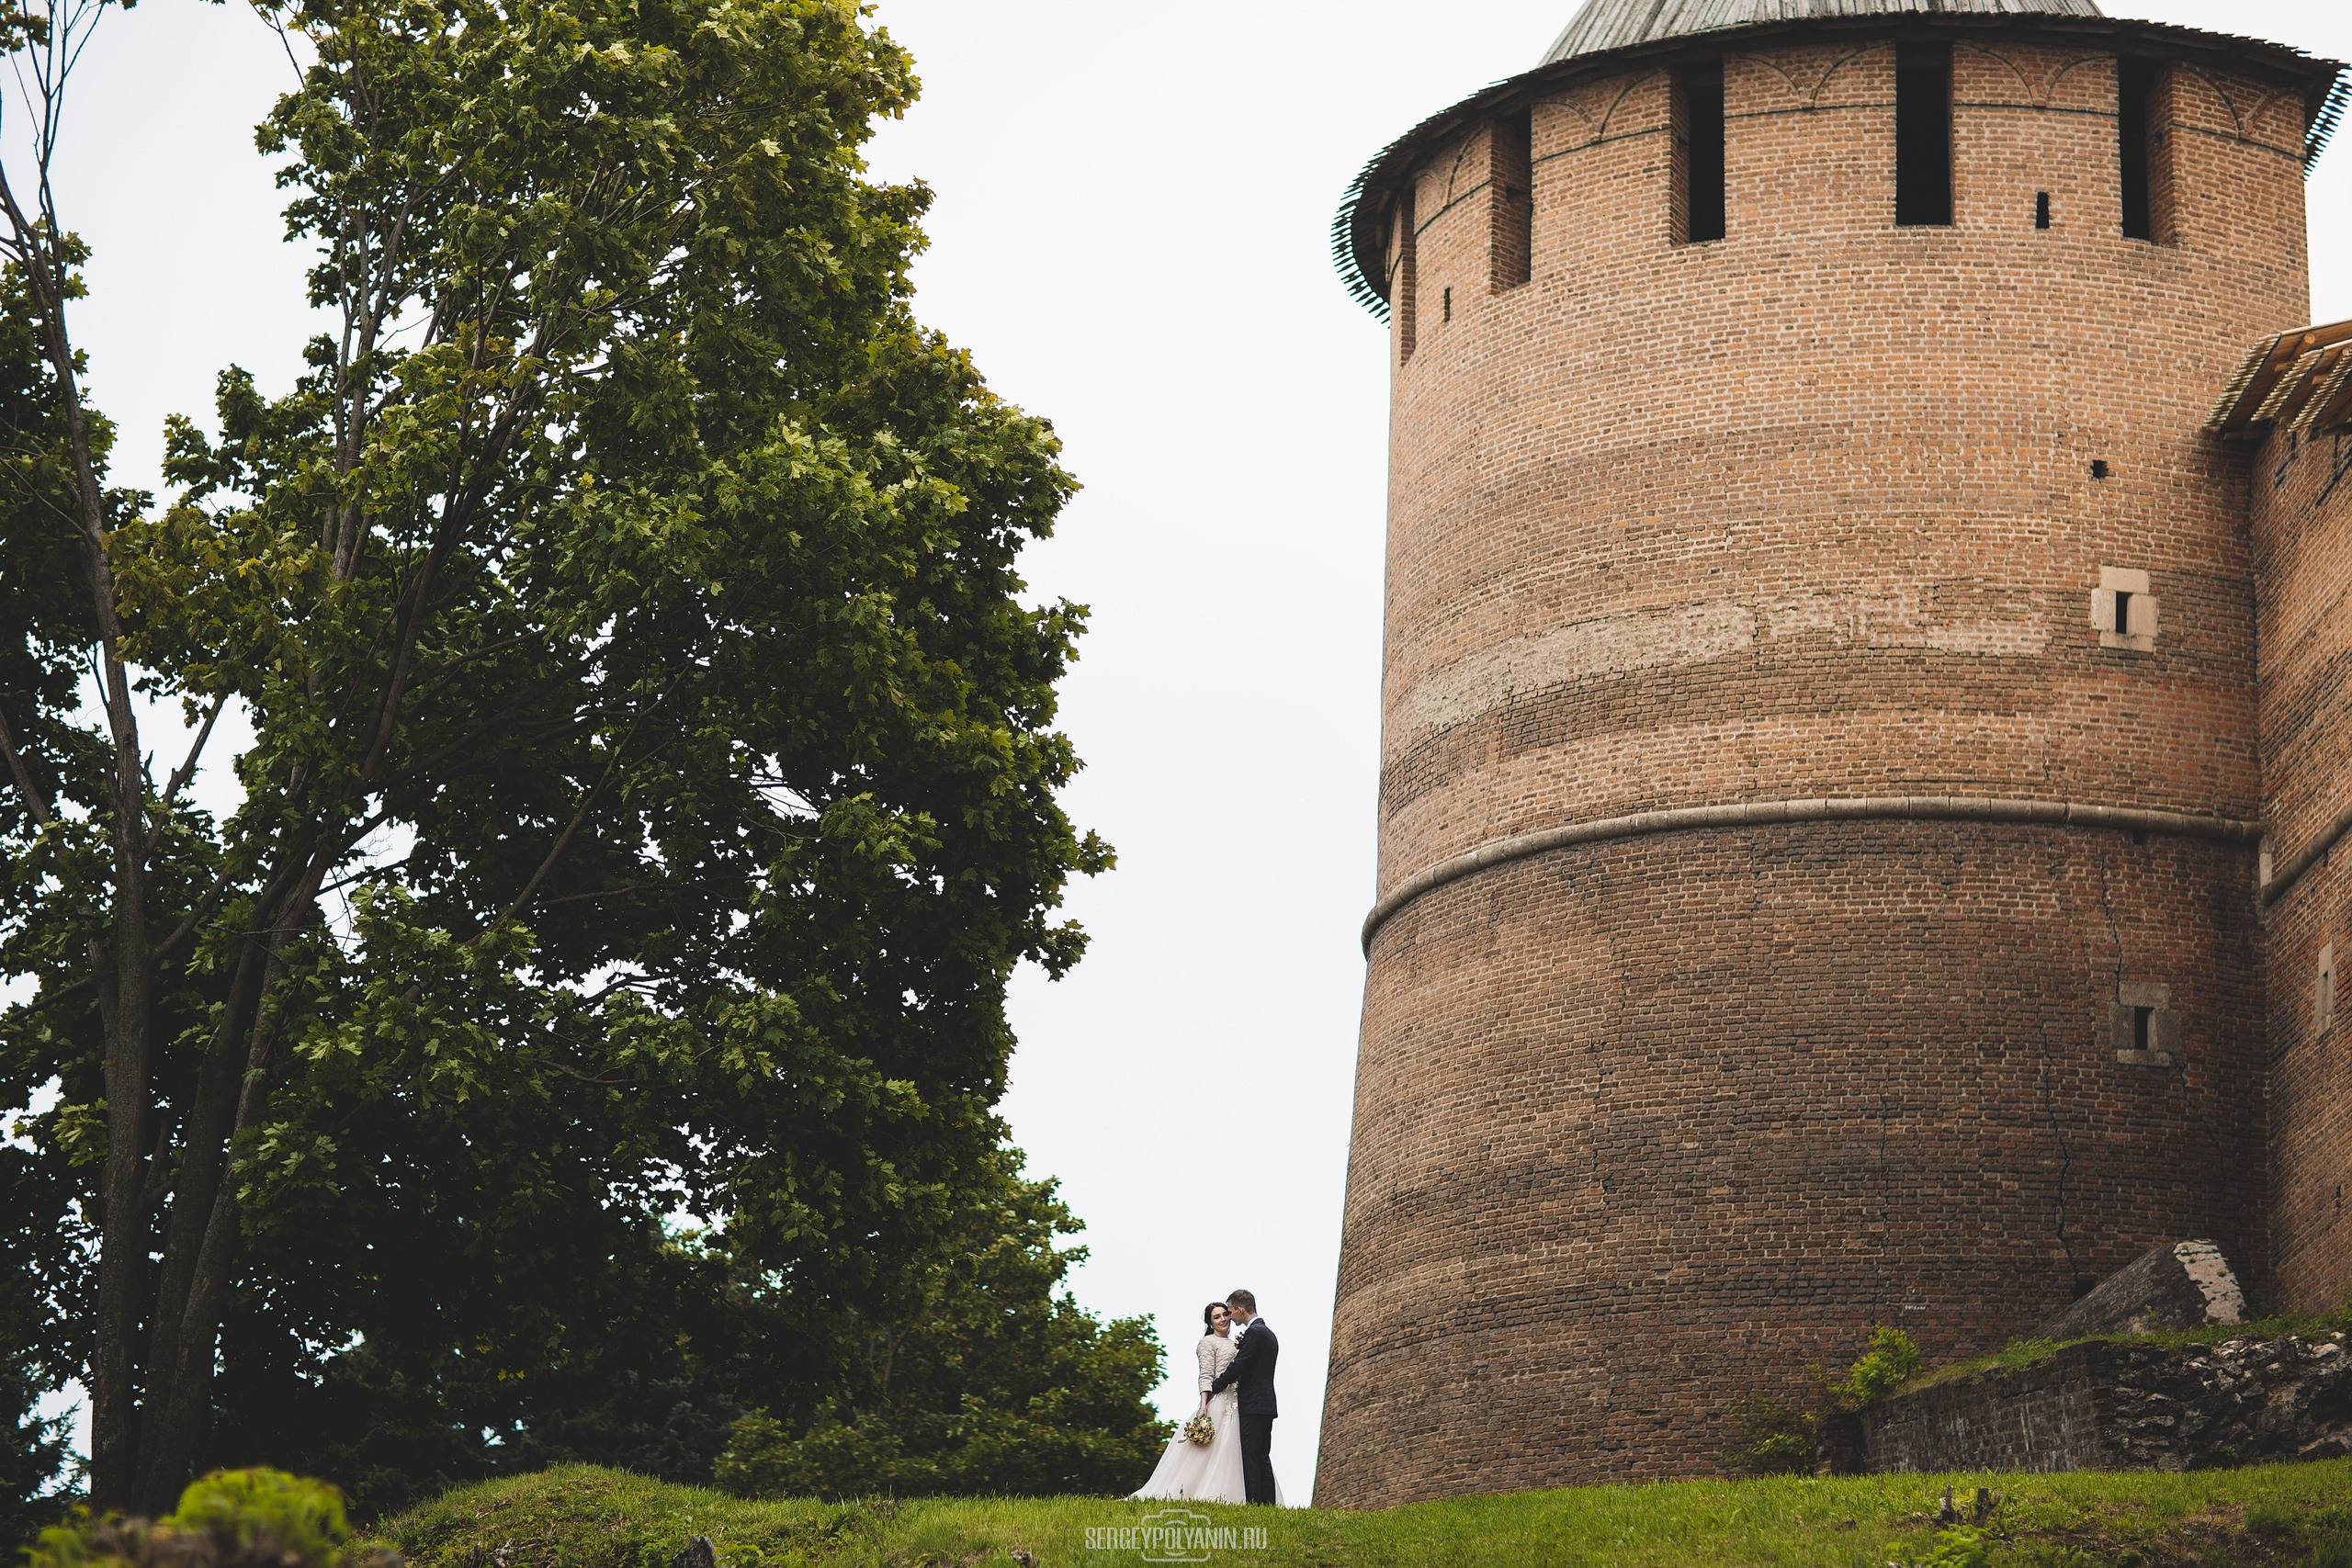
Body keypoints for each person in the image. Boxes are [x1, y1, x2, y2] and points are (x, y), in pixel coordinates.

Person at [1130, 1303, 1251, 1503]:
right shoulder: (1207, 1343)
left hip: (1237, 1401)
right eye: (1217, 1317)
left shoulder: (1236, 1344)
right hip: (1218, 1400)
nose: (1223, 1320)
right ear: (1210, 1323)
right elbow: (1205, 1375)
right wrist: (1204, 1405)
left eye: (1225, 1315)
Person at [1208, 1288, 1280, 1505]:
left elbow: (1241, 1364)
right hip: (1267, 1404)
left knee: (1250, 1454)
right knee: (1262, 1455)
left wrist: (1218, 1384)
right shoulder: (1269, 1333)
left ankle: (1254, 1502)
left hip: (1253, 1404)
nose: (1229, 1316)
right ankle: (1268, 1504)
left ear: (1240, 1309)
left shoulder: (1254, 1333)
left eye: (1230, 1311)